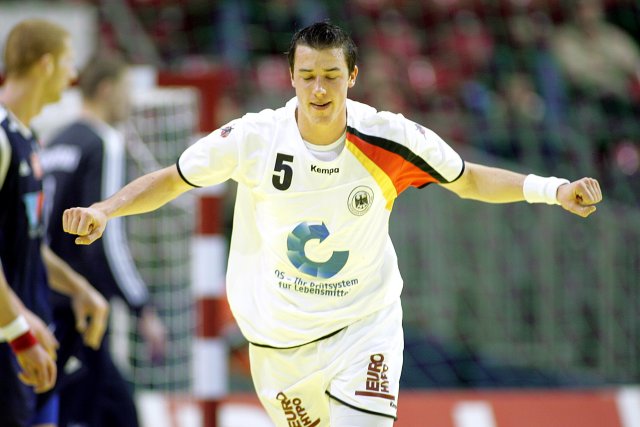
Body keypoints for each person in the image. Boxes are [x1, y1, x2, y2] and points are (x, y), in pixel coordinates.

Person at [62, 22, 603, 427]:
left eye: (331, 77)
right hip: (277, 345)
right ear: (291, 78)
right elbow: (172, 179)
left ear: (352, 77)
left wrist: (553, 190)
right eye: (307, 77)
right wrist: (106, 209)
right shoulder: (255, 138)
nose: (319, 90)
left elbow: (468, 179)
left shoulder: (390, 138)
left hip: (363, 327)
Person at [41, 53, 167, 427]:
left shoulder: (55, 141)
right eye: (126, 89)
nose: (130, 101)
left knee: (108, 408)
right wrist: (141, 306)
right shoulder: (105, 141)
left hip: (46, 297)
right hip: (84, 307)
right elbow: (104, 238)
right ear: (107, 89)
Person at [0, 19, 109, 427]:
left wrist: (80, 288)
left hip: (35, 336)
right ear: (46, 65)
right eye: (68, 62)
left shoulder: (29, 139)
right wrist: (17, 328)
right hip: (11, 338)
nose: (73, 74)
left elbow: (28, 244)